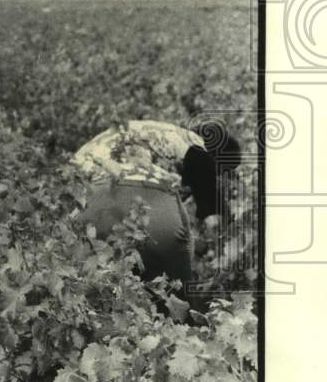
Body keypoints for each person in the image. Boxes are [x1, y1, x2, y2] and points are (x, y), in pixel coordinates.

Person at [72, 119, 241, 291]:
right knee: (173, 292)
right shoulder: (198, 149)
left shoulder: (161, 133)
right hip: (138, 192)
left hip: (86, 195)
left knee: (87, 286)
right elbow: (212, 219)